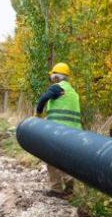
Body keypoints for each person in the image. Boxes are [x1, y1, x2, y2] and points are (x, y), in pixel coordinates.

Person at [35, 62, 82, 195]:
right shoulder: (72, 92)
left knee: (51, 157)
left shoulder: (57, 88)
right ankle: (69, 180)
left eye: (52, 75)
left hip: (58, 131)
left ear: (56, 77)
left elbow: (43, 98)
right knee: (65, 157)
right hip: (74, 132)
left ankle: (56, 188)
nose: (51, 78)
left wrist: (38, 114)